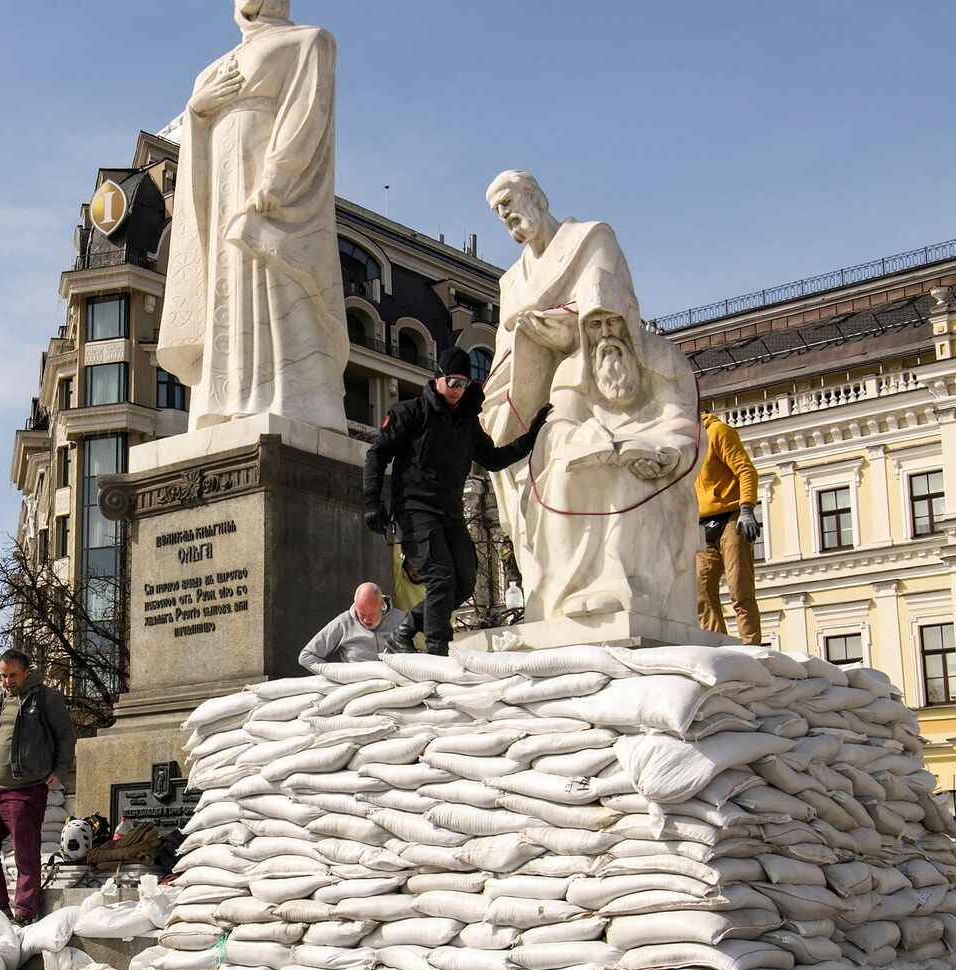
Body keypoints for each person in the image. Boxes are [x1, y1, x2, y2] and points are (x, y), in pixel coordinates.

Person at [478, 170, 701, 626]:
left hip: (630, 420)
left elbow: (604, 298)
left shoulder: (591, 238)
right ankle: (561, 595)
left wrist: (661, 452)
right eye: (500, 214)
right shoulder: (510, 284)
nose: (509, 218)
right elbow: (509, 363)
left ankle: (618, 584)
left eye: (512, 204)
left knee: (623, 479)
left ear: (536, 197)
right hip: (549, 393)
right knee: (553, 469)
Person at [156, 0, 351, 433]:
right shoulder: (211, 70)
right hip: (223, 184)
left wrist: (278, 179)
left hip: (269, 189)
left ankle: (293, 398)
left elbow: (308, 112)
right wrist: (197, 111)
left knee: (276, 280)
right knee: (227, 287)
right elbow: (197, 131)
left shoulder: (308, 40)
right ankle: (225, 400)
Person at [363, 348, 550, 655]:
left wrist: (530, 437)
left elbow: (492, 458)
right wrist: (373, 501)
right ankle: (438, 651)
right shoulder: (410, 412)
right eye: (451, 381)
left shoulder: (467, 423)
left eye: (463, 384)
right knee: (440, 577)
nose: (456, 389)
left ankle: (406, 629)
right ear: (438, 378)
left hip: (449, 514)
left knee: (464, 581)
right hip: (414, 509)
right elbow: (377, 454)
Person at [0, 649, 74, 925]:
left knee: (25, 854)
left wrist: (59, 770)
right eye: (3, 675)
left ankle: (25, 912)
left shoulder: (45, 698)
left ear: (27, 672)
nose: (7, 681)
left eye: (13, 675)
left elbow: (65, 734)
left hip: (26, 789)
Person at [696, 412, 762, 643]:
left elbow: (746, 470)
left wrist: (746, 509)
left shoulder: (718, 432)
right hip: (702, 524)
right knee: (700, 589)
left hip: (732, 517)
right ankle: (718, 645)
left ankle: (751, 645)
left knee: (739, 588)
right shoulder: (683, 443)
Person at [298, 582, 402, 671]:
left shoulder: (400, 619)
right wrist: (336, 674)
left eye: (371, 614)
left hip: (394, 686)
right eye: (362, 614)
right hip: (356, 687)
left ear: (382, 603)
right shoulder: (344, 622)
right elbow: (306, 656)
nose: (366, 620)